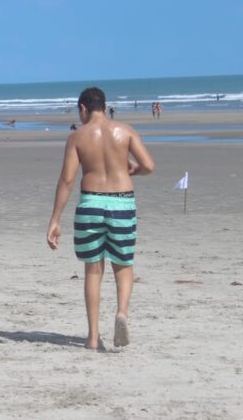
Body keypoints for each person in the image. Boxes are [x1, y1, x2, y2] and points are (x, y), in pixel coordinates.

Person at [46, 87, 155, 350]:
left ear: (83, 108)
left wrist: (55, 219)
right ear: (105, 107)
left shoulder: (77, 137)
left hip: (90, 203)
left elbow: (67, 180)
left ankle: (93, 337)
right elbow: (149, 166)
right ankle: (121, 313)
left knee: (93, 270)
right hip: (122, 202)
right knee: (123, 264)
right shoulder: (125, 131)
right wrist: (133, 170)